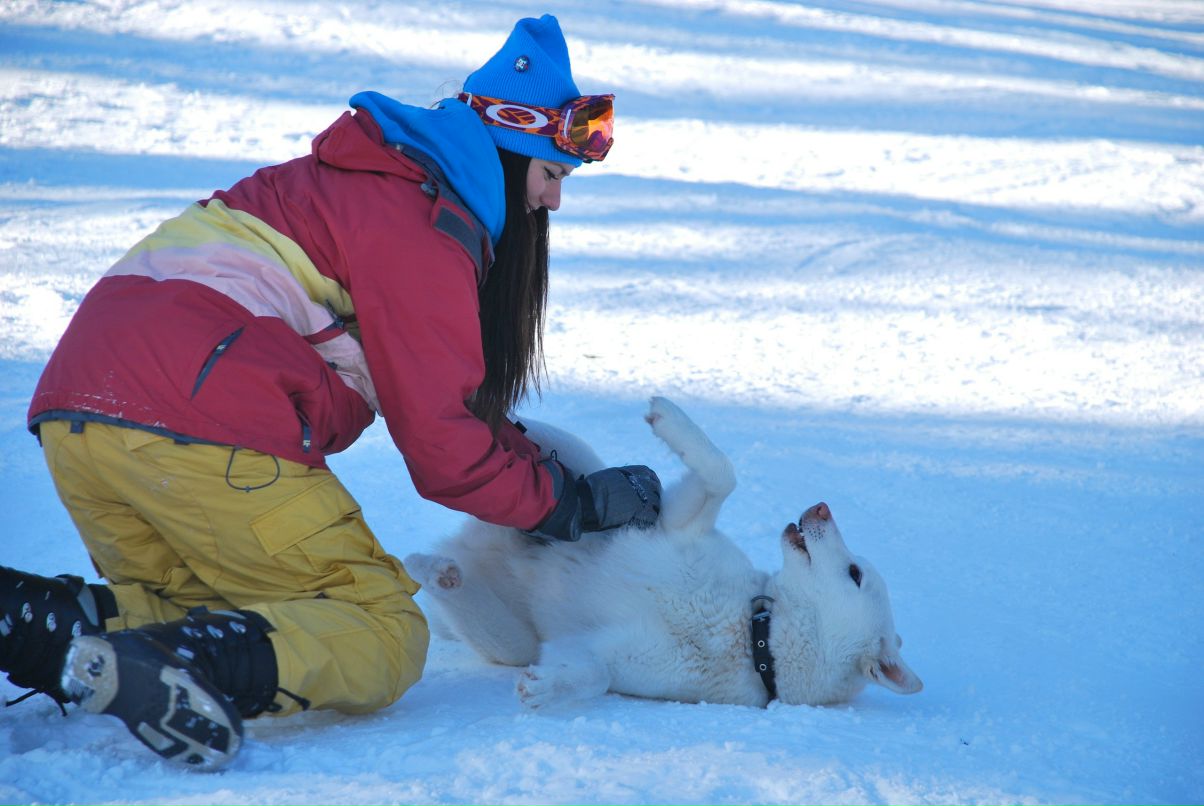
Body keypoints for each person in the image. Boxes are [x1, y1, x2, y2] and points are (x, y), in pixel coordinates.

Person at [0, 14, 660, 769]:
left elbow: (442, 398)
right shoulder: (424, 221)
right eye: (553, 175)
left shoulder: (354, 185)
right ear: (512, 156)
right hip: (196, 421)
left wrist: (538, 471)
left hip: (82, 415)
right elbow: (444, 446)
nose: (554, 203)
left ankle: (36, 622)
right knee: (378, 630)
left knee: (229, 616)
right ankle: (189, 668)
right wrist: (565, 503)